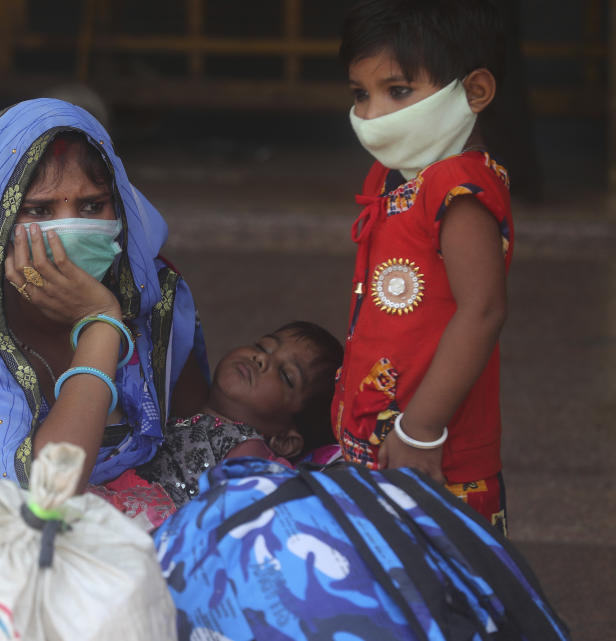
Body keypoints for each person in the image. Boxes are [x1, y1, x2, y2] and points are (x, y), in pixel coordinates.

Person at [0, 98, 209, 523]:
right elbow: (47, 497)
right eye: (39, 211)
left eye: (93, 206)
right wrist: (101, 323)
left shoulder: (155, 306)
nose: (70, 229)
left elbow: (199, 446)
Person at [331, 0, 512, 532]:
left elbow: (483, 311)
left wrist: (420, 430)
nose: (372, 114)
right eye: (361, 95)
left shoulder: (458, 188)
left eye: (398, 91)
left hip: (435, 457)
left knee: (441, 597)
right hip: (388, 447)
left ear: (474, 91)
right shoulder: (401, 180)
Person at [135, 320, 344, 508]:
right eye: (262, 346)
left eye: (286, 376)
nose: (261, 358)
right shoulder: (176, 406)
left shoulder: (251, 455)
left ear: (284, 441)